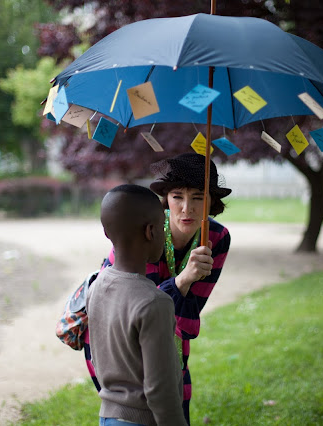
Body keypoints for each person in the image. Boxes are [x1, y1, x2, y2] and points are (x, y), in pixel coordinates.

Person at [85, 153, 232, 424]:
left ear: (212, 201)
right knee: (136, 408)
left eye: (198, 197)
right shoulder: (145, 232)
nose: (187, 208)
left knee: (174, 394)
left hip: (172, 344)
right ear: (166, 200)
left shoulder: (216, 238)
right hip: (117, 351)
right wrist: (183, 280)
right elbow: (144, 308)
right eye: (177, 196)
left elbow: (186, 324)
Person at [87, 184, 187, 426]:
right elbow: (160, 390)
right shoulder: (155, 303)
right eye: (164, 227)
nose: (166, 234)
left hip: (108, 417)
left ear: (106, 232)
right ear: (150, 232)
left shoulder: (96, 286)